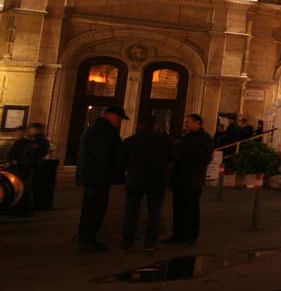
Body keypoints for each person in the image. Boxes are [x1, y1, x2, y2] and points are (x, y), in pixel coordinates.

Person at [75, 106, 127, 252]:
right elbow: (104, 155)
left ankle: (87, 239)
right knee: (95, 209)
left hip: (95, 176)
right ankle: (87, 240)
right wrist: (118, 163)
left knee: (92, 208)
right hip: (98, 176)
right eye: (119, 118)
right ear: (111, 115)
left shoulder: (97, 129)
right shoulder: (102, 131)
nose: (120, 122)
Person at [121, 114, 173, 252]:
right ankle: (150, 243)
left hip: (136, 179)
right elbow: (172, 157)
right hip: (157, 180)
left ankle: (126, 243)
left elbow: (123, 160)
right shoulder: (164, 140)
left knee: (131, 212)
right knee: (154, 212)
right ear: (155, 125)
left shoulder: (131, 140)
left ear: (139, 125)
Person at [166, 113, 213, 245]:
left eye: (188, 122)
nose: (185, 124)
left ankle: (190, 235)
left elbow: (204, 158)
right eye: (185, 122)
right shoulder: (184, 137)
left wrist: (187, 161)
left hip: (192, 179)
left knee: (191, 207)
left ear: (197, 123)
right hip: (179, 178)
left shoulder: (205, 138)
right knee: (178, 207)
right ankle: (178, 233)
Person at [5, 123, 50, 217]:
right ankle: (21, 208)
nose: (30, 131)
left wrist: (24, 164)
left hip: (29, 168)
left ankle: (27, 209)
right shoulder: (33, 140)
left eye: (32, 129)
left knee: (26, 188)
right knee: (22, 187)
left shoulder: (40, 141)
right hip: (23, 167)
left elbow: (34, 155)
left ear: (37, 130)